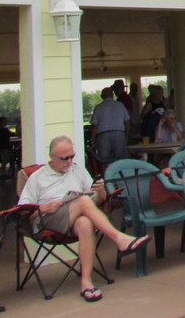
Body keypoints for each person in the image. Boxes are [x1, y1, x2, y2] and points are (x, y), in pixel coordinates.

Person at [19, 137, 147, 302]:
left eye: (72, 156)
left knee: (85, 223)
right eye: (64, 158)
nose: (69, 161)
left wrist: (100, 191)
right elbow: (22, 211)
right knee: (83, 201)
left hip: (73, 219)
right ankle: (119, 238)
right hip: (47, 222)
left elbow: (97, 202)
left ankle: (86, 283)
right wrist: (43, 208)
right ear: (51, 156)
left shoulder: (77, 170)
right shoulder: (37, 177)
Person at [90, 87, 129, 164]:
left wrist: (93, 141)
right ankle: (121, 175)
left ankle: (106, 175)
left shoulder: (98, 107)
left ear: (102, 96)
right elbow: (127, 121)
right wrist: (126, 135)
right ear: (112, 95)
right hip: (119, 134)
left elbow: (94, 126)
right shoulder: (120, 105)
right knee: (120, 160)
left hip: (103, 136)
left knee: (104, 160)